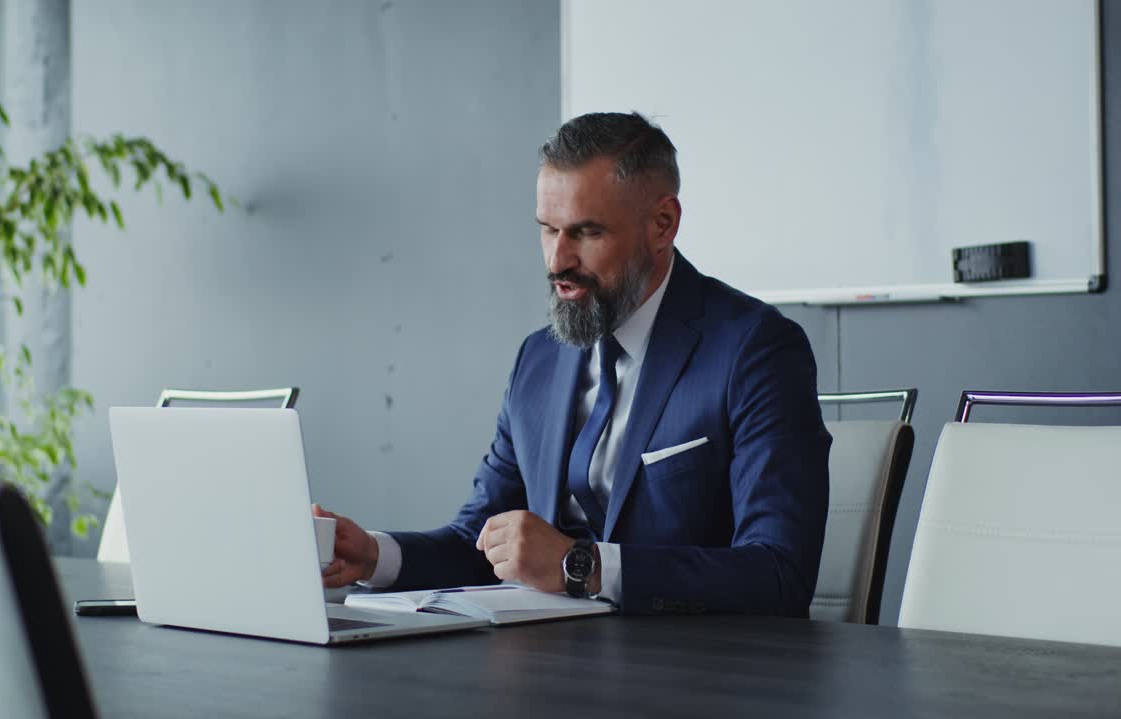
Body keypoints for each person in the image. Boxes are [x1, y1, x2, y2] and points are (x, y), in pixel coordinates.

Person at [316, 112, 830, 616]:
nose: (557, 261)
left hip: (695, 679)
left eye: (586, 233)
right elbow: (480, 542)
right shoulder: (538, 359)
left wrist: (578, 564)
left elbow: (778, 573)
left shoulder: (756, 350)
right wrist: (374, 555)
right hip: (553, 672)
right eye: (548, 229)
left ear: (662, 224)